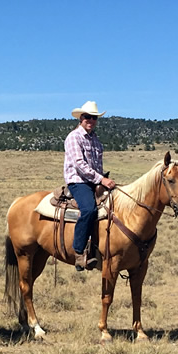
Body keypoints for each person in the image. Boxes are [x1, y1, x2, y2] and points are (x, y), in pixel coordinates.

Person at [64, 101, 116, 271]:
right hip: (78, 181)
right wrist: (101, 180)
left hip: (94, 181)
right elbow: (79, 164)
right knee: (89, 209)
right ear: (81, 118)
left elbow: (97, 165)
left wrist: (103, 181)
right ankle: (79, 252)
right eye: (87, 117)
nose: (90, 120)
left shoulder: (96, 140)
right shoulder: (74, 137)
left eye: (93, 118)